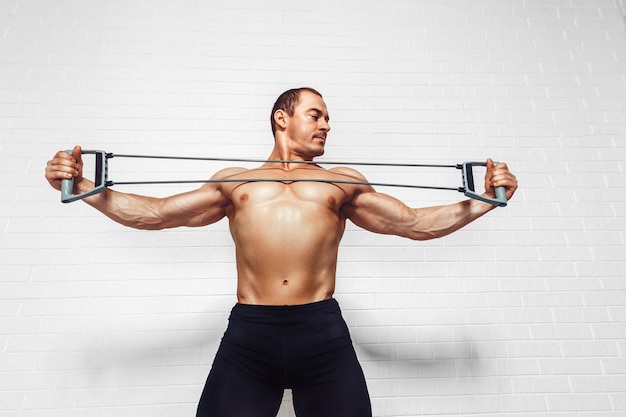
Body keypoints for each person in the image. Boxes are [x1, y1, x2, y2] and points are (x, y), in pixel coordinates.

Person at [45, 87, 518, 417]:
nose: (327, 126)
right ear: (282, 118)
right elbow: (157, 212)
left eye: (329, 119)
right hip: (251, 335)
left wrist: (484, 201)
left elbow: (413, 223)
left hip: (322, 333)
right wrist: (82, 186)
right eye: (317, 114)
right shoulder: (236, 183)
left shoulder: (342, 183)